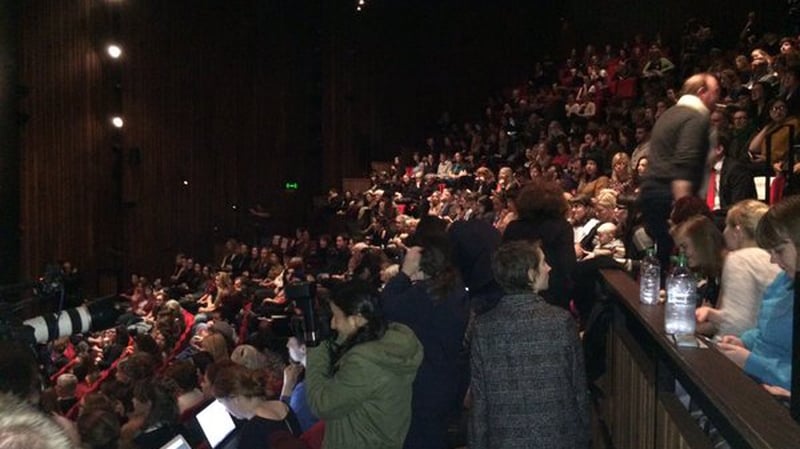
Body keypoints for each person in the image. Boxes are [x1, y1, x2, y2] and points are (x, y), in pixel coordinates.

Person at [469, 241, 589, 449]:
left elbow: (479, 399)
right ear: (530, 274)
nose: (549, 267)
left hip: (504, 436)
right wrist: (584, 435)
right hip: (557, 434)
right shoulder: (561, 322)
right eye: (543, 263)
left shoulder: (483, 327)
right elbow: (578, 387)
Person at [305, 280, 423, 449]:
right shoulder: (388, 342)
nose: (332, 324)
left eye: (336, 317)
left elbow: (321, 404)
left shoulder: (364, 363)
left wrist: (316, 347)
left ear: (356, 319)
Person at [381, 244, 470, 449]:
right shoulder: (455, 291)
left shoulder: (422, 296)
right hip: (451, 379)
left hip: (424, 382)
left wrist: (404, 273)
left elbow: (386, 306)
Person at [717, 195, 799, 395]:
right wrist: (745, 342)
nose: (772, 260)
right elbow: (766, 330)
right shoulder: (783, 280)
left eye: (779, 251)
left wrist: (751, 362)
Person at [640, 73, 720, 268]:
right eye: (715, 92)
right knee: (680, 262)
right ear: (702, 92)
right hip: (671, 199)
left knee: (663, 259)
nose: (718, 98)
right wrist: (683, 214)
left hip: (652, 193)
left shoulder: (668, 115)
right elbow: (684, 166)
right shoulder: (694, 118)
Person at [696, 200, 779, 336]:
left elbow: (736, 325)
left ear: (737, 231)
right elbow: (752, 316)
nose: (724, 232)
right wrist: (714, 315)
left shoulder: (740, 259)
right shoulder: (773, 258)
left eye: (727, 226)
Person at [212, 363, 302, 448]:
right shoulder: (282, 405)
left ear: (235, 399)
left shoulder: (252, 433)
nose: (226, 410)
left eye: (223, 404)